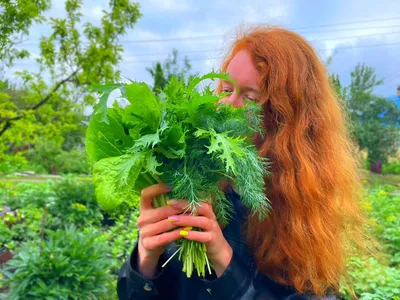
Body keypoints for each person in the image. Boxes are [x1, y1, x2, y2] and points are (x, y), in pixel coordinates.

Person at [117, 26, 366, 299]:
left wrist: (223, 261)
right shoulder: (193, 177)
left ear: (287, 120)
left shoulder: (303, 210)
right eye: (225, 89)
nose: (226, 105)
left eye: (250, 98)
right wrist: (145, 260)